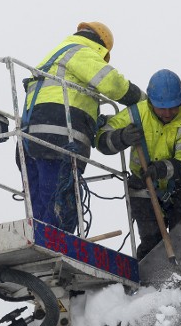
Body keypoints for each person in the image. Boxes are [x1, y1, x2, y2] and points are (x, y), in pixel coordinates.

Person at [22, 21, 145, 233]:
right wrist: (143, 101)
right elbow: (112, 83)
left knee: (41, 206)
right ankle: (54, 243)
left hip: (30, 137)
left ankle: (40, 240)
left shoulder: (56, 55)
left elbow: (73, 100)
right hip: (58, 137)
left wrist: (97, 121)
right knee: (59, 202)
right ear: (101, 47)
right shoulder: (81, 51)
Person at [96, 69, 181, 260]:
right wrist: (122, 137)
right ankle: (150, 284)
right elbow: (102, 141)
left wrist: (161, 169)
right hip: (143, 189)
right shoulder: (136, 113)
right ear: (150, 102)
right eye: (162, 107)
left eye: (173, 107)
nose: (168, 113)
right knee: (151, 243)